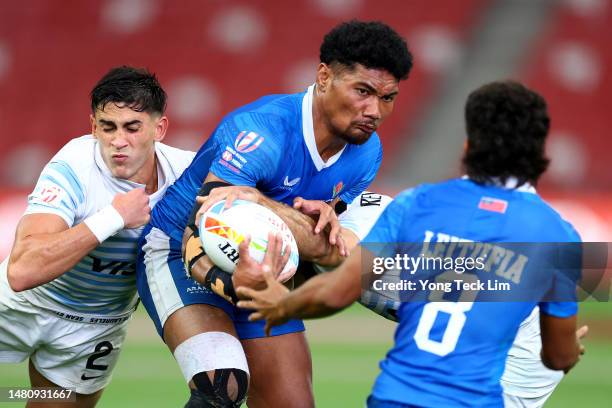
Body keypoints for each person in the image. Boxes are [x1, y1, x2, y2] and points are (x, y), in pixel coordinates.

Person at [236, 81, 587, 407]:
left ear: (467, 146)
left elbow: (336, 291)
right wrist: (569, 348)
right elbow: (557, 356)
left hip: (396, 397)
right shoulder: (558, 235)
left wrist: (279, 304)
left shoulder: (416, 203)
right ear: (542, 154)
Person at [135, 20, 413, 407]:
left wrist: (322, 244)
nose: (374, 111)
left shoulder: (366, 152)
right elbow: (197, 237)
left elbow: (312, 242)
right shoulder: (261, 131)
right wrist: (246, 288)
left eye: (387, 97)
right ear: (324, 76)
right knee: (221, 388)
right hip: (178, 253)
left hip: (264, 273)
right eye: (363, 91)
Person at [0, 66, 195, 407]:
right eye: (108, 127)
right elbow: (21, 271)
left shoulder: (188, 174)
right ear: (93, 127)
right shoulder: (73, 167)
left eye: (132, 128)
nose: (118, 141)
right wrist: (114, 217)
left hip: (95, 326)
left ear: (159, 128)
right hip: (23, 308)